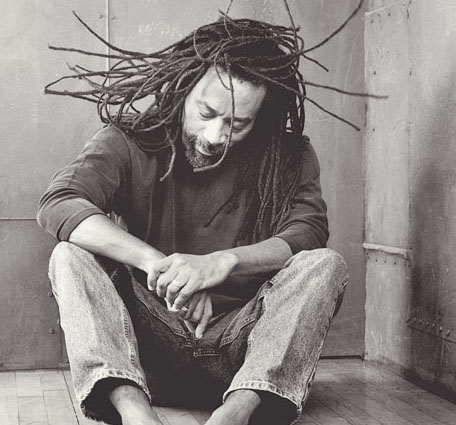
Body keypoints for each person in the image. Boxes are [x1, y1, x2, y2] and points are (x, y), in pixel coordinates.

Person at [38, 15, 348, 425]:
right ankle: (134, 412)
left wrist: (220, 264)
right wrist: (162, 267)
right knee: (69, 256)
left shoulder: (288, 156)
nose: (216, 136)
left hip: (246, 353)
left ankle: (236, 412)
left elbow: (308, 232)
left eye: (238, 123)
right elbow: (60, 202)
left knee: (326, 264)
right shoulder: (129, 140)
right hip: (146, 351)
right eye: (206, 112)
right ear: (184, 90)